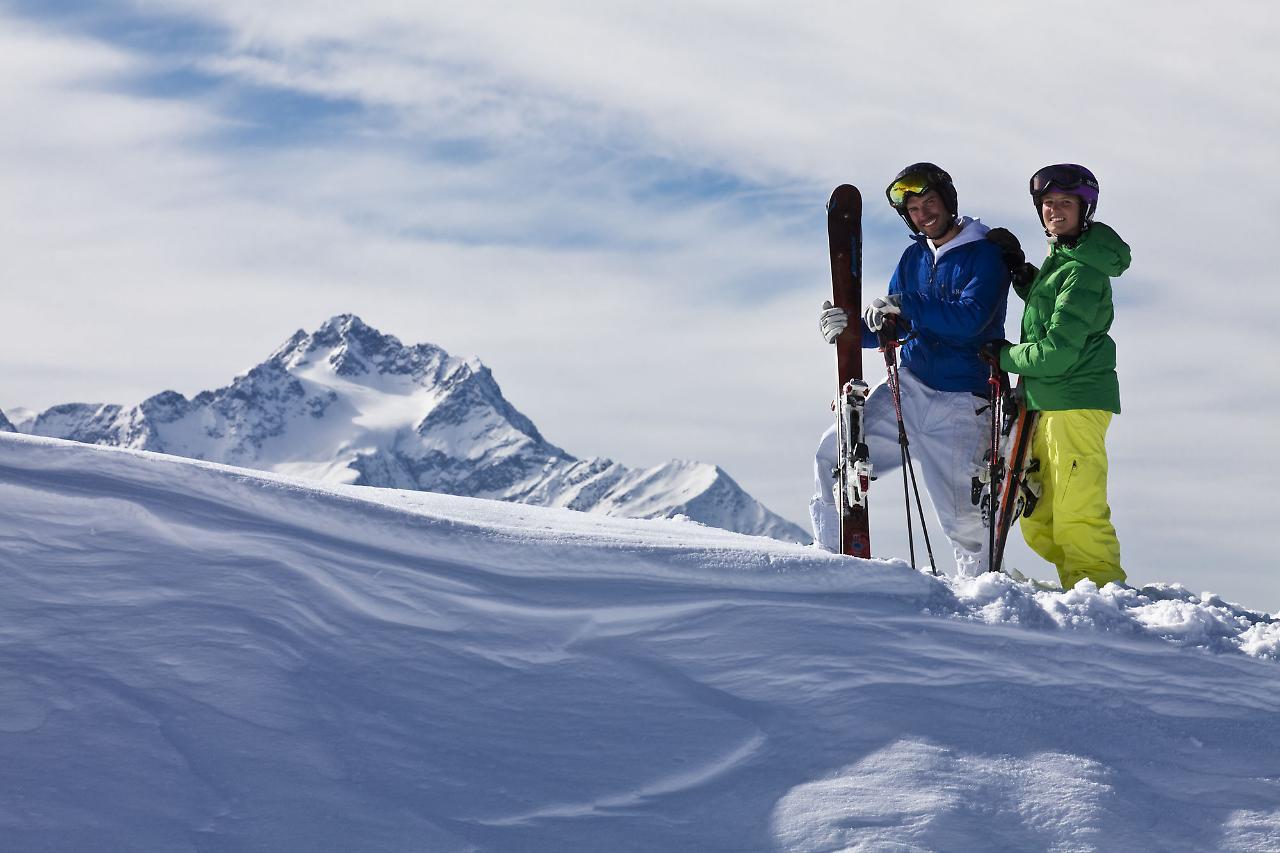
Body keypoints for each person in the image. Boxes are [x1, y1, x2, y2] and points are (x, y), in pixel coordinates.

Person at [813, 163, 1010, 575]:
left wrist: (908, 304)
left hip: (961, 403)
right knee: (834, 458)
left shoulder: (987, 255)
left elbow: (971, 319)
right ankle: (829, 564)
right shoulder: (914, 257)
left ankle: (984, 604)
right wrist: (851, 331)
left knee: (966, 524)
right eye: (915, 208)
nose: (924, 214)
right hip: (909, 386)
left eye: (930, 202)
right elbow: (893, 327)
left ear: (948, 202)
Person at [980, 164, 1128, 590]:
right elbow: (1053, 314)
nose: (1054, 210)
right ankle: (1077, 587)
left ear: (1085, 209)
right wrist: (1026, 278)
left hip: (1075, 401)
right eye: (1047, 204)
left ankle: (1101, 593)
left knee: (1077, 508)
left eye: (1064, 203)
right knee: (1039, 515)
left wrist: (1005, 355)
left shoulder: (1083, 269)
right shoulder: (1064, 260)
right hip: (1046, 402)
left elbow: (1058, 352)